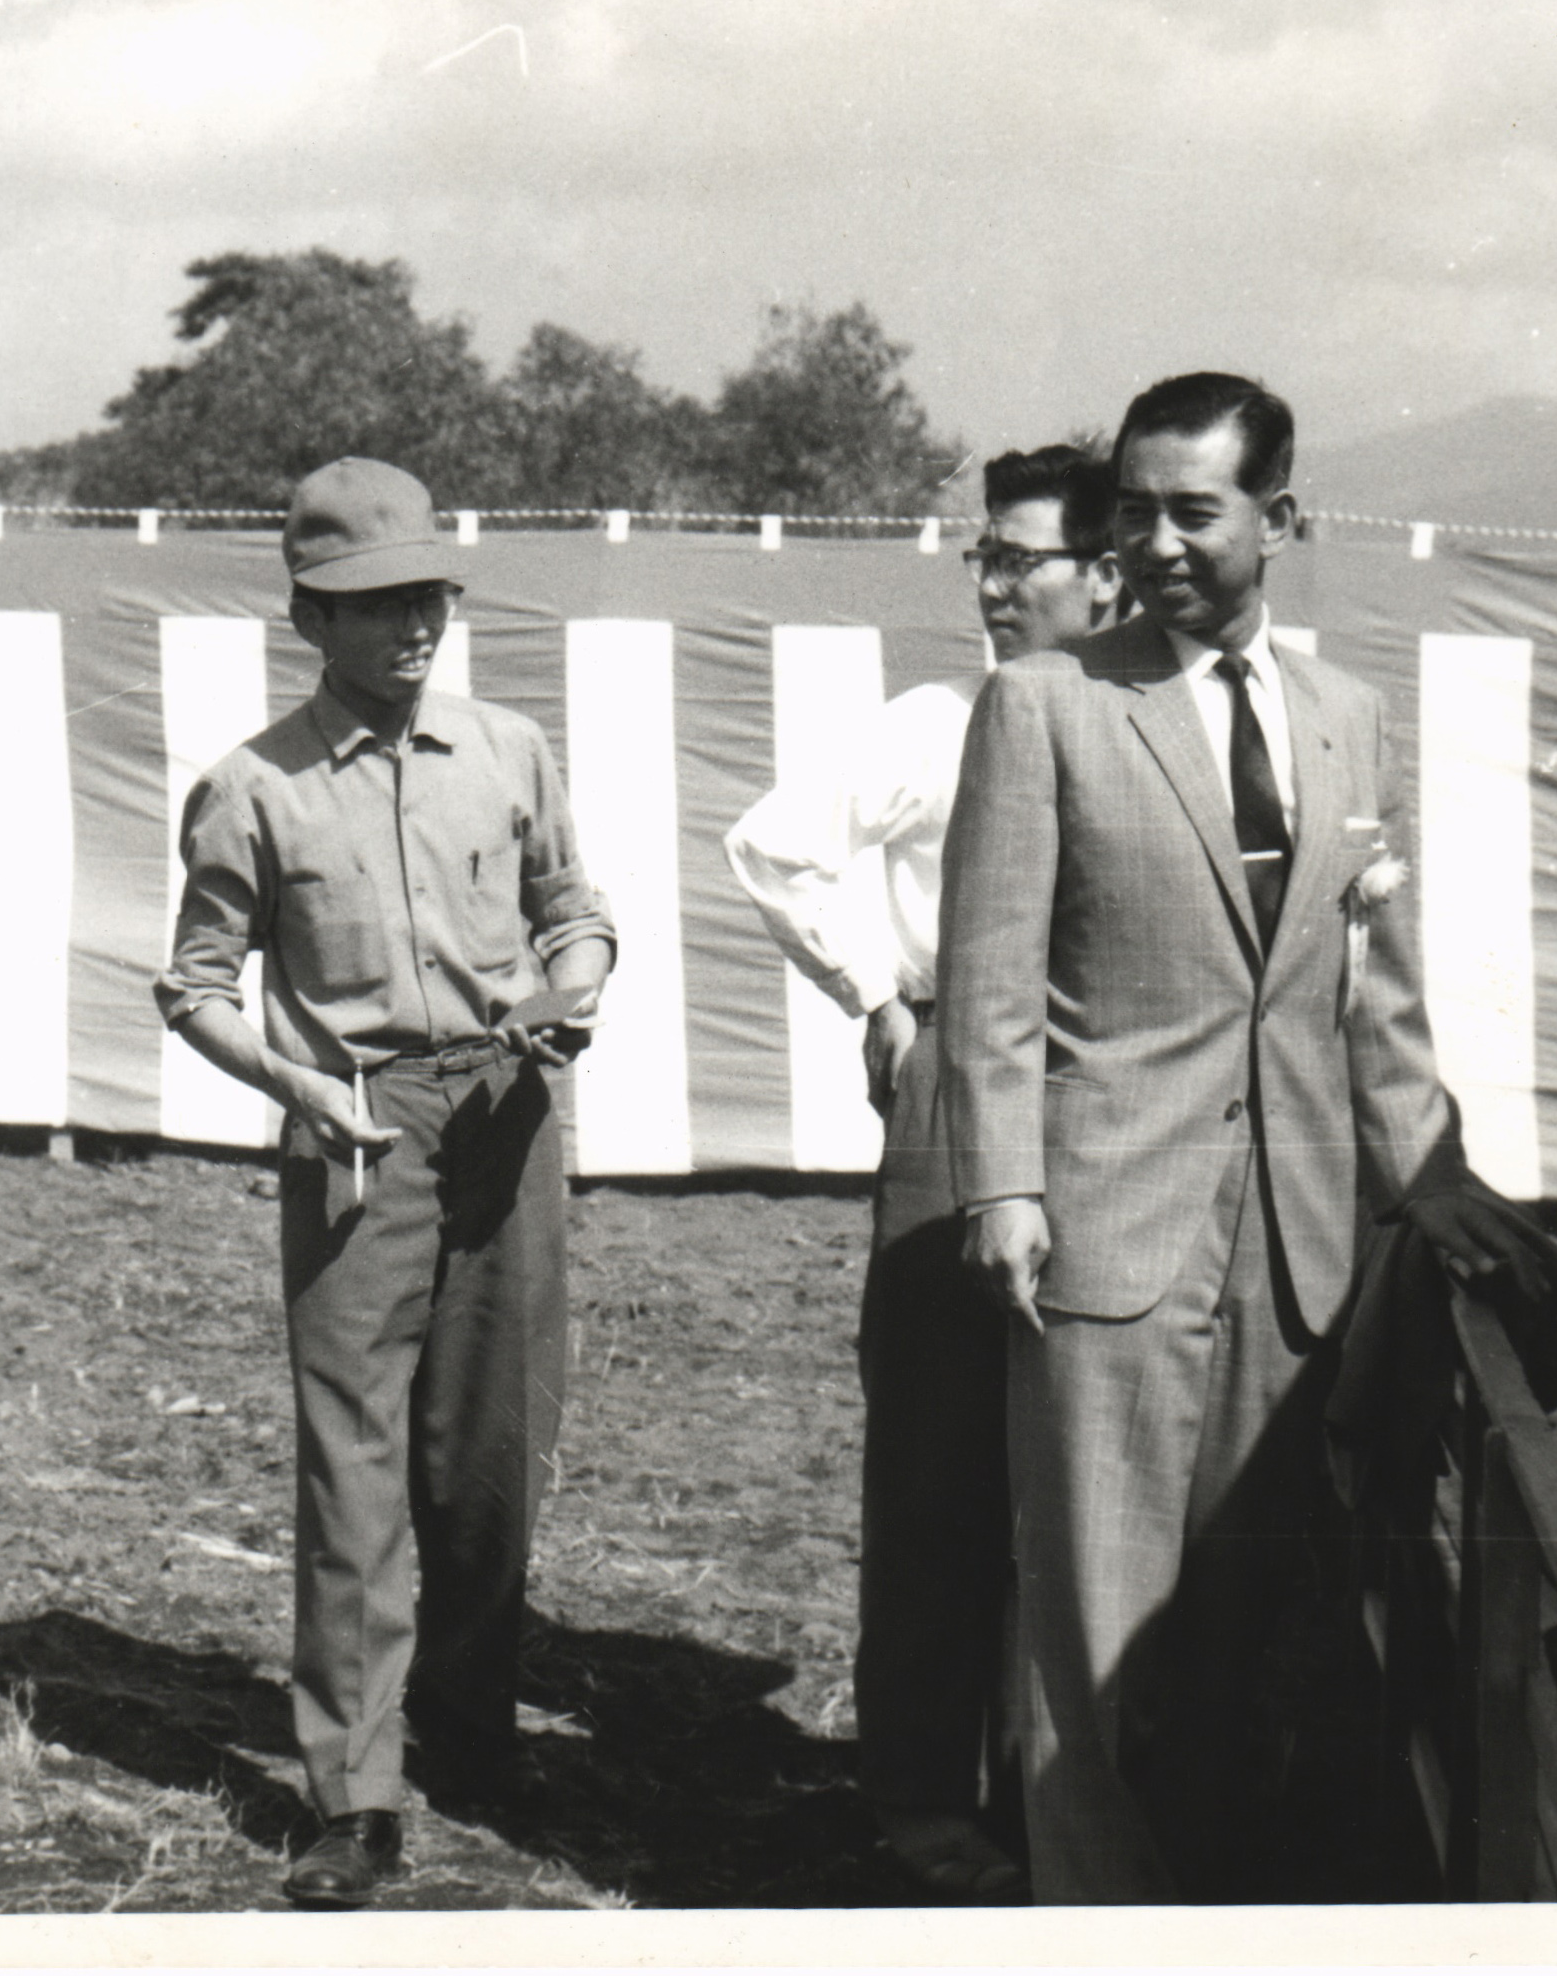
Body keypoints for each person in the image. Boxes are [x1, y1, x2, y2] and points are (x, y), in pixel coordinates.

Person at [938, 372, 1547, 1902]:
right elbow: (990, 981)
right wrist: (1004, 1184)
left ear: (1280, 520)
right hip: (1102, 1238)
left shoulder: (1347, 721)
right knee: (1090, 1634)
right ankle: (1089, 1918)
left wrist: (1426, 1170)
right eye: (1128, 511)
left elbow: (1373, 995)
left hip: (1296, 1263)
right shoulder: (1047, 704)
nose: (1149, 542)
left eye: (1188, 510)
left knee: (1234, 1634)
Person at [157, 457, 615, 1910]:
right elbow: (191, 985)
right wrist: (291, 1085)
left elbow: (573, 908)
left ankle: (470, 1728)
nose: (412, 624)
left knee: (488, 1450)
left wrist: (573, 987)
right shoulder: (249, 788)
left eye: (427, 593)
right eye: (374, 603)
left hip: (508, 1110)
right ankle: (352, 1790)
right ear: (308, 615)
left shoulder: (507, 746)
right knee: (352, 1461)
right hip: (353, 1127)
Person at [723, 444, 1125, 1902]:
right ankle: (912, 1790)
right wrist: (879, 1000)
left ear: (1108, 569)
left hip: (1114, 1095)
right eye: (984, 554)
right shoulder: (935, 717)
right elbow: (773, 844)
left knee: (1086, 1453)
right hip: (960, 1088)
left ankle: (1054, 1781)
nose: (993, 582)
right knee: (943, 1450)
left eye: (1022, 556)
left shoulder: (1147, 716)